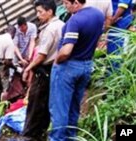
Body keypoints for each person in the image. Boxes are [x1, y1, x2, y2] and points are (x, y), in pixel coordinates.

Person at [49, 0, 104, 140]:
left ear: (76, 3)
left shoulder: (75, 20)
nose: (64, 6)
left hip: (69, 66)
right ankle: (71, 136)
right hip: (86, 65)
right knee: (74, 106)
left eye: (67, 3)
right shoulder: (98, 14)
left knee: (60, 108)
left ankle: (58, 138)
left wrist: (57, 60)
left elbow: (67, 51)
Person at [21, 0, 64, 140]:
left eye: (40, 11)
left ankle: (31, 135)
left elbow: (41, 55)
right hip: (55, 68)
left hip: (45, 70)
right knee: (45, 104)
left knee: (36, 104)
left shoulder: (50, 29)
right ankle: (40, 133)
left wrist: (28, 68)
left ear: (50, 11)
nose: (37, 15)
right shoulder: (61, 25)